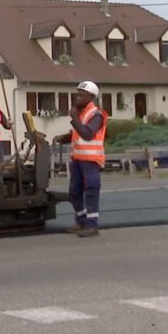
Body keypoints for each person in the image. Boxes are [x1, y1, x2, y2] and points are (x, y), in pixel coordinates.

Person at [53, 81, 107, 238]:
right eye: (77, 94)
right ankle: (81, 220)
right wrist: (64, 137)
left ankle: (92, 226)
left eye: (81, 95)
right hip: (77, 159)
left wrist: (74, 117)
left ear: (91, 97)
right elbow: (78, 132)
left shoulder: (96, 115)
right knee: (74, 193)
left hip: (91, 161)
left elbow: (88, 134)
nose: (77, 98)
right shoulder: (83, 114)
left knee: (91, 192)